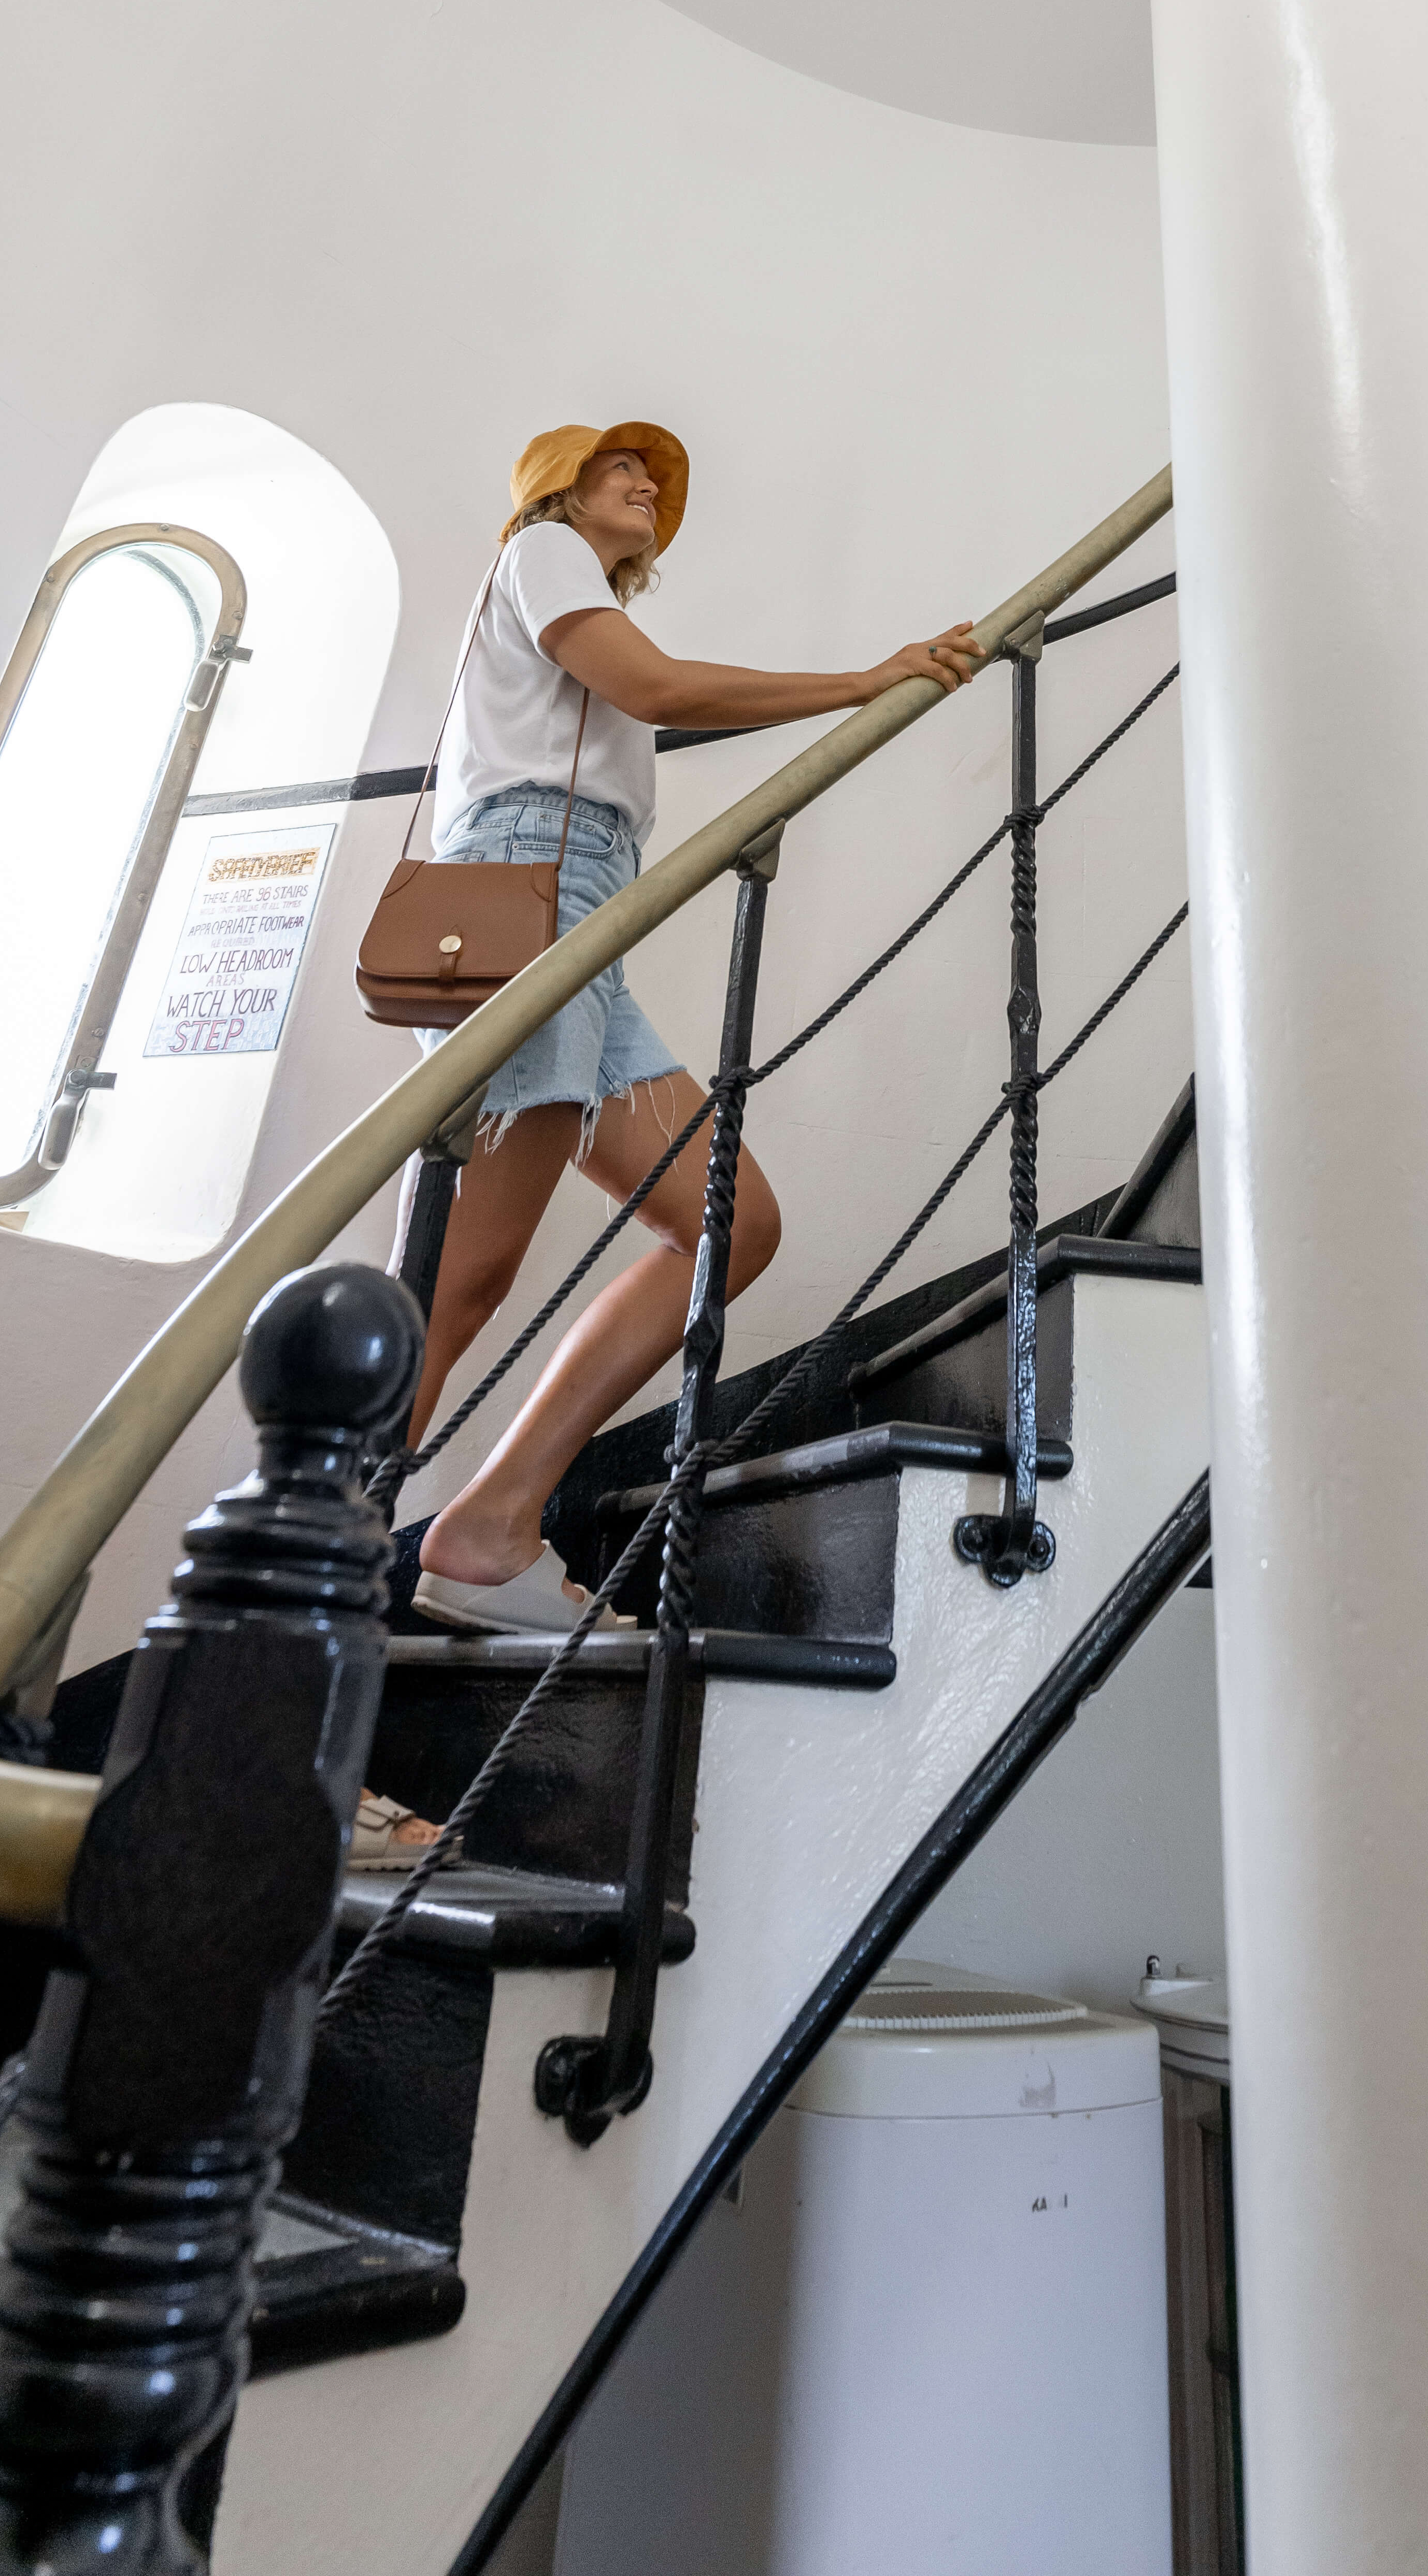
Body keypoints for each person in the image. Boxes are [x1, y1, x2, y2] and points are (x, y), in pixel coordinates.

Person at [354, 419, 979, 1862]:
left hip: (591, 917)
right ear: (561, 492)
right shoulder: (541, 551)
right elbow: (652, 684)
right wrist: (864, 679)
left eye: (654, 482)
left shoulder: (565, 586)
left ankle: (494, 1525)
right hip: (538, 900)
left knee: (732, 1223)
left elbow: (641, 693)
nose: (645, 490)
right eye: (621, 469)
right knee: (457, 1289)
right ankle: (290, 1681)